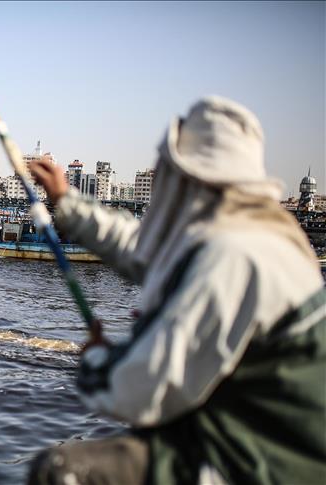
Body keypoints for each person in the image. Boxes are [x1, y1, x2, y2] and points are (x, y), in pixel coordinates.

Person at [26, 96, 324, 485]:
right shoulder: (246, 234)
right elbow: (142, 250)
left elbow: (141, 389)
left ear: (191, 178)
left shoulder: (233, 256)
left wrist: (98, 358)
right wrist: (66, 200)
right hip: (239, 433)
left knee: (59, 472)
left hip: (261, 465)